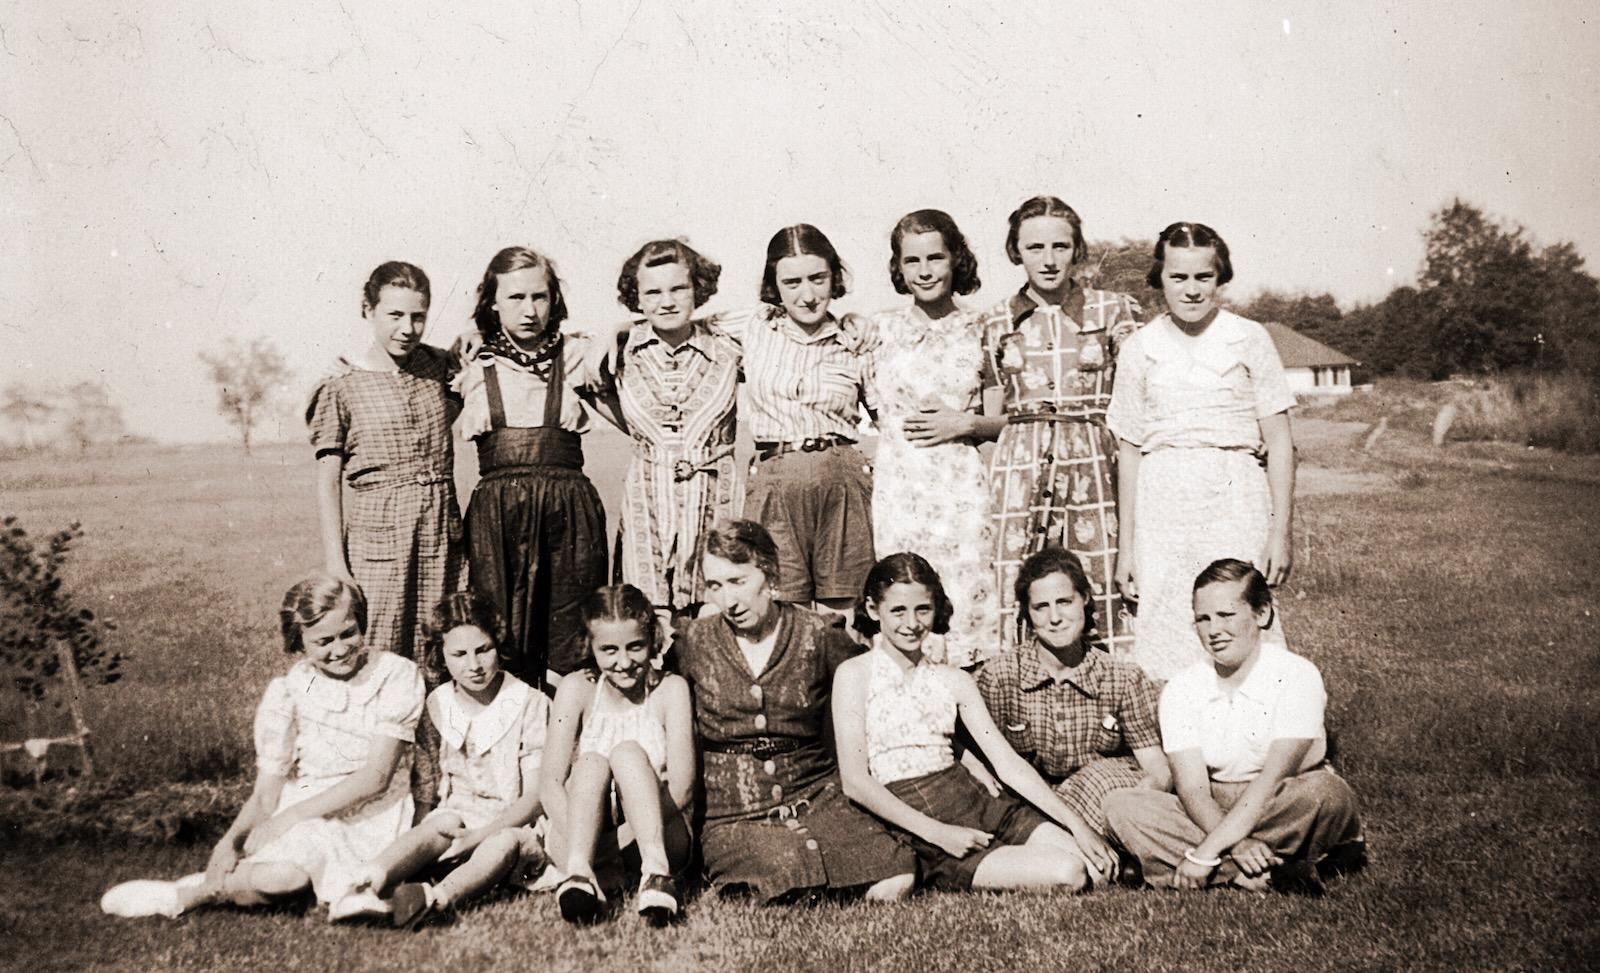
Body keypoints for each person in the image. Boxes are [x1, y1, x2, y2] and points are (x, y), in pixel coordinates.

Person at [100, 573, 424, 919]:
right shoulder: (290, 690)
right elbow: (267, 793)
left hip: (374, 810)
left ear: (361, 624)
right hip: (307, 804)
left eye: (349, 633)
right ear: (299, 643)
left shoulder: (393, 674)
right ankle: (192, 890)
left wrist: (289, 819)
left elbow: (376, 776)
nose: (340, 649)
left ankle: (202, 892)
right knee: (285, 876)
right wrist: (230, 841)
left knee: (308, 873)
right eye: (323, 641)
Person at [832, 553, 1120, 892]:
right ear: (872, 608)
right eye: (898, 611)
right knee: (1069, 873)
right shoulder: (854, 674)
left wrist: (1077, 825)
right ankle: (952, 870)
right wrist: (938, 834)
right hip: (916, 814)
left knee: (1098, 870)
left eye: (922, 609)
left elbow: (1006, 762)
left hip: (976, 798)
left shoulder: (954, 679)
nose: (911, 623)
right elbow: (855, 781)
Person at [677, 520, 917, 903]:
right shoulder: (693, 641)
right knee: (789, 872)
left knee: (897, 874)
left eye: (738, 581)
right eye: (715, 586)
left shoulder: (817, 634)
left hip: (819, 795)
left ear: (770, 576)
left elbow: (878, 681)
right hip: (735, 813)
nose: (728, 601)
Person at [1104, 559, 1364, 894]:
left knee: (1327, 793)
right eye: (1203, 618)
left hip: (1281, 799)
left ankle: (1191, 865)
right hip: (1213, 804)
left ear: (1262, 614)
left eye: (1226, 615)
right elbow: (1193, 789)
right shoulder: (1182, 688)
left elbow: (1274, 779)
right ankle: (1262, 872)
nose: (1214, 630)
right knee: (1122, 805)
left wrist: (1209, 851)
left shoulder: (1298, 675)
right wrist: (1238, 845)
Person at [1107, 222, 1297, 682]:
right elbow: (1128, 451)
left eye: (1203, 278)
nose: (1191, 291)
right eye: (1178, 277)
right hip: (1163, 500)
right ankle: (1180, 742)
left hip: (1235, 493)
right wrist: (1126, 550)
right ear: (1160, 278)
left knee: (1236, 608)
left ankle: (1255, 739)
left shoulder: (1249, 338)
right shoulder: (1140, 348)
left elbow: (1279, 441)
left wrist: (1280, 532)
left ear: (1220, 277)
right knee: (1168, 613)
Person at [975, 197, 1141, 655]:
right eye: (1034, 247)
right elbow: (992, 410)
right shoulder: (995, 320)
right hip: (1019, 470)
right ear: (1016, 251)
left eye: (1060, 246)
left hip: (1092, 465)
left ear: (1077, 249)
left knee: (1100, 579)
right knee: (1019, 582)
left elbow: (1136, 398)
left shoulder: (1113, 311)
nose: (1048, 260)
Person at [330, 592, 549, 928]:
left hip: (511, 823)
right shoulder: (438, 704)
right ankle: (364, 884)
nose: (473, 665)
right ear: (440, 655)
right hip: (457, 817)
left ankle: (435, 899)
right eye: (459, 654)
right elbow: (427, 784)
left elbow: (534, 797)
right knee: (436, 826)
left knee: (501, 844)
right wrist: (423, 836)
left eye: (483, 650)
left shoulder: (527, 702)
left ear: (499, 645)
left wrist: (478, 837)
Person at [459, 245, 610, 693]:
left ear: (554, 300)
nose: (529, 310)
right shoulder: (468, 362)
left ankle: (569, 741)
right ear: (492, 302)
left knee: (572, 633)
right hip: (497, 517)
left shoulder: (578, 356)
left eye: (539, 297)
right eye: (515, 298)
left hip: (569, 514)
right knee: (500, 631)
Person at [714, 225, 880, 619]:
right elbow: (681, 324)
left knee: (842, 612)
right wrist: (618, 331)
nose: (807, 295)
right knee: (781, 607)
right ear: (774, 284)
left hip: (841, 480)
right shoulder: (753, 325)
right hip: (774, 481)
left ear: (834, 277)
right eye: (792, 282)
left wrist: (861, 323)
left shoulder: (855, 340)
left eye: (817, 279)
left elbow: (887, 418)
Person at [306, 261, 465, 663]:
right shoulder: (341, 385)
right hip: (377, 537)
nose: (407, 328)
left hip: (441, 534)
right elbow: (327, 482)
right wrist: (336, 565)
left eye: (418, 317)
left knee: (443, 643)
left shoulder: (441, 367)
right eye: (394, 315)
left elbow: (484, 350)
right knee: (379, 647)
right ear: (368, 309)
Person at [869, 209, 1003, 666]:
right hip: (900, 492)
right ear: (899, 268)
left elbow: (1009, 420)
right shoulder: (876, 330)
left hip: (960, 492)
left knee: (967, 605)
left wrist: (965, 423)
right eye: (912, 261)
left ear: (955, 260)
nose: (924, 271)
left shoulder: (983, 328)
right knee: (905, 604)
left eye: (935, 258)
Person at [977, 547, 1169, 839]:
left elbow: (1156, 767)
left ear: (1085, 599)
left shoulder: (1122, 677)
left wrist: (1143, 797)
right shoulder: (1000, 676)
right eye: (1041, 607)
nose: (1055, 617)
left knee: (1105, 778)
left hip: (1099, 799)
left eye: (1065, 602)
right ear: (1027, 613)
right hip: (1030, 804)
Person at [540, 584, 696, 926]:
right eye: (609, 650)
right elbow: (549, 783)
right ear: (590, 646)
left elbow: (683, 789)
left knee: (627, 753)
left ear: (652, 642)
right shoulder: (575, 688)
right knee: (592, 762)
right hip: (583, 834)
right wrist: (592, 841)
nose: (624, 662)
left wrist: (624, 840)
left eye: (635, 647)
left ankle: (656, 876)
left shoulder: (670, 689)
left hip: (657, 834)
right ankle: (581, 875)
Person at [608, 239, 743, 620]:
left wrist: (851, 321)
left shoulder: (729, 344)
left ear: (697, 288)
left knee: (717, 614)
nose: (666, 301)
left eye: (678, 288)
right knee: (650, 620)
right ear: (636, 296)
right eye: (653, 291)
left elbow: (779, 318)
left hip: (715, 500)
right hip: (648, 502)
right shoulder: (621, 349)